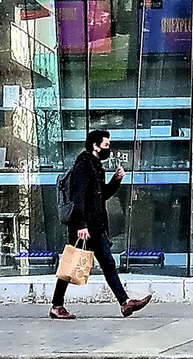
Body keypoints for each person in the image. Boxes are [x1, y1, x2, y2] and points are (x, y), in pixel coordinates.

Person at [50, 129, 152, 319]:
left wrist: (116, 180)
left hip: (95, 227)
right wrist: (81, 225)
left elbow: (101, 196)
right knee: (72, 264)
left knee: (107, 263)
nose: (108, 148)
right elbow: (77, 197)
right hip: (85, 227)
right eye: (106, 145)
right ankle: (56, 305)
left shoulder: (95, 166)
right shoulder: (84, 166)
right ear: (95, 146)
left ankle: (125, 303)